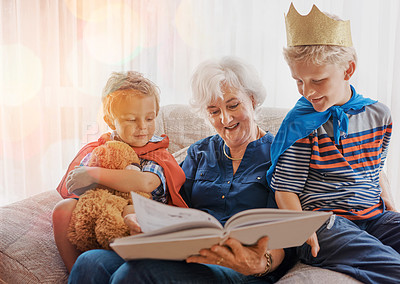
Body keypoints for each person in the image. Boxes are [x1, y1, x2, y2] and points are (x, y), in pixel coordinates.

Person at [68, 56, 297, 283]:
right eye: (214, 111)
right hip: (188, 257)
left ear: (253, 100)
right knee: (91, 262)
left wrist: (261, 263)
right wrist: (140, 221)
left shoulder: (280, 155)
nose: (225, 118)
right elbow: (172, 206)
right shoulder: (199, 153)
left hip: (240, 266)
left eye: (233, 105)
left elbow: (288, 232)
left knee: (135, 274)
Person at [267, 3, 400, 283]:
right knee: (390, 265)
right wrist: (301, 228)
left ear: (348, 69)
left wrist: (387, 198)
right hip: (322, 224)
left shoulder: (379, 115)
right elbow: (284, 190)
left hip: (373, 217)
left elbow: (374, 168)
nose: (307, 91)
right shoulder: (300, 124)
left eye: (318, 80)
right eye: (298, 81)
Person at [52, 71, 186, 273]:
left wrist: (94, 174)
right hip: (102, 214)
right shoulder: (101, 149)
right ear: (110, 120)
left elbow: (146, 183)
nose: (142, 127)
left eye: (150, 118)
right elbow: (77, 185)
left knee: (130, 212)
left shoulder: (157, 152)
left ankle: (130, 268)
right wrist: (86, 180)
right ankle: (75, 272)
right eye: (132, 120)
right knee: (62, 209)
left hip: (144, 216)